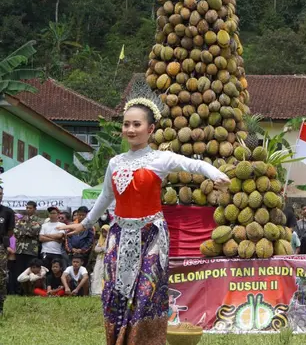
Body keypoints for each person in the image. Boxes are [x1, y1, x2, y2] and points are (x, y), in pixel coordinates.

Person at [59, 86, 229, 344]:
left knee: (145, 293)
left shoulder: (160, 159)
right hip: (119, 235)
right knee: (116, 293)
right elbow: (106, 197)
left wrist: (215, 175)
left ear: (150, 129)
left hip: (151, 235)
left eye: (136, 124)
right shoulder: (115, 162)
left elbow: (193, 164)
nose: (130, 129)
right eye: (126, 124)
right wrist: (84, 225)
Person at [13, 201, 41, 292]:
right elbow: (16, 232)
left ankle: (29, 290)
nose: (28, 209)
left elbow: (34, 231)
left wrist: (23, 231)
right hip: (20, 249)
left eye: (30, 208)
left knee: (30, 270)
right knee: (19, 270)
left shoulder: (38, 220)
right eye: (27, 208)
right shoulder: (22, 219)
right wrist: (26, 231)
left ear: (35, 209)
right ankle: (19, 290)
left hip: (31, 249)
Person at [0, 185, 16, 317]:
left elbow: (10, 232)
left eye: (1, 194)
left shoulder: (8, 212)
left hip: (0, 247)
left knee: (1, 276)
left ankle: (0, 305)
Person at [39, 206, 66, 271]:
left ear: (58, 214)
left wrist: (46, 235)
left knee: (56, 271)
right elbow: (41, 238)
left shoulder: (62, 225)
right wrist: (54, 239)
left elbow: (59, 236)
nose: (52, 215)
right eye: (50, 213)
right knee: (45, 271)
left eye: (54, 213)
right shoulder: (44, 225)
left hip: (56, 252)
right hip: (45, 251)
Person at [91, 224, 111, 296]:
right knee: (97, 273)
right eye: (103, 232)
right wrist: (102, 248)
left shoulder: (111, 240)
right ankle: (96, 291)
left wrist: (102, 248)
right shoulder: (100, 239)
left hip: (107, 259)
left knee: (105, 274)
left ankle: (104, 291)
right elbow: (96, 249)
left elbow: (108, 249)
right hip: (99, 259)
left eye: (106, 232)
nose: (104, 234)